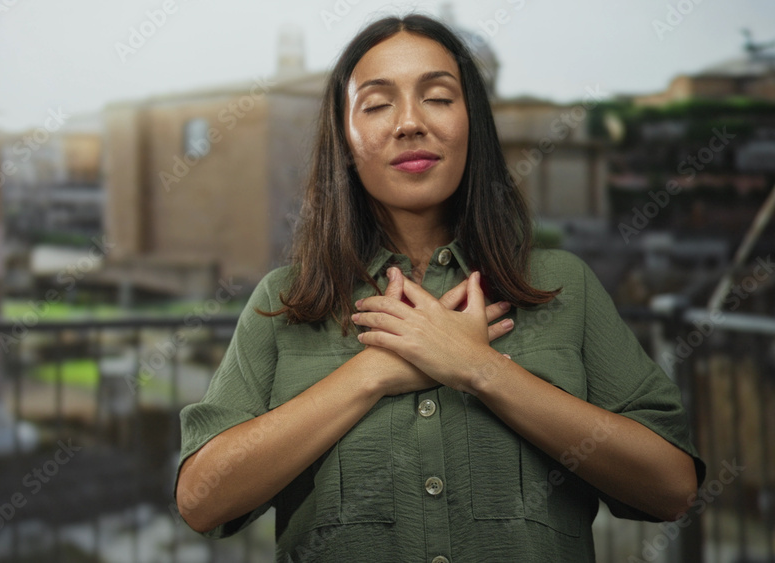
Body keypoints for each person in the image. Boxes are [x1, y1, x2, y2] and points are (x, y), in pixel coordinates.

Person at [174, 14, 705, 562]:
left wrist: (479, 368)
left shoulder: (565, 286)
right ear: (346, 141)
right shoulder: (284, 301)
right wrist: (374, 372)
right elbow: (201, 500)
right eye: (377, 104)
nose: (409, 123)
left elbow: (671, 486)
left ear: (472, 121)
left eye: (438, 97)